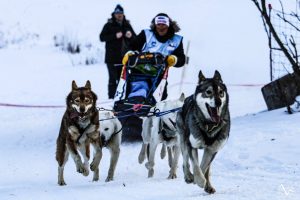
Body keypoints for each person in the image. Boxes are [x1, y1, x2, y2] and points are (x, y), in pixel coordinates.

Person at [123, 13, 186, 101]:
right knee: (135, 90)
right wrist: (128, 53)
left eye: (163, 24)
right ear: (155, 25)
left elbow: (182, 59)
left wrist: (174, 59)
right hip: (139, 70)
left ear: (169, 25)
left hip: (159, 74)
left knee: (160, 97)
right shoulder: (146, 34)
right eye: (158, 24)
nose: (161, 27)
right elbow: (131, 46)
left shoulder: (176, 40)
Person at [100, 4, 136, 99]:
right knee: (112, 80)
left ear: (123, 14)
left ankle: (124, 98)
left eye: (120, 13)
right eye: (117, 13)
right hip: (111, 58)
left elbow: (136, 39)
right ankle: (111, 99)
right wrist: (114, 36)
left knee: (124, 80)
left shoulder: (127, 25)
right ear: (114, 14)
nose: (119, 15)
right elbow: (102, 37)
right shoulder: (109, 25)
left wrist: (130, 35)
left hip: (124, 59)